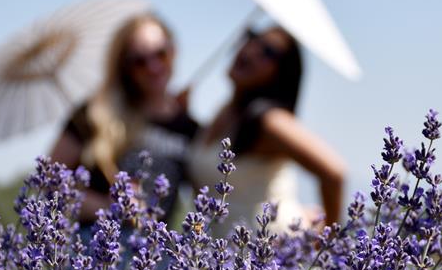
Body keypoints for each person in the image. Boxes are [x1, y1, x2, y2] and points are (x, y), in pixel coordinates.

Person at [188, 25, 346, 231]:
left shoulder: (269, 121)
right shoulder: (227, 110)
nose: (252, 51)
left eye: (268, 52)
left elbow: (334, 173)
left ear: (282, 74)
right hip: (225, 253)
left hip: (273, 254)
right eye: (252, 37)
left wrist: (328, 239)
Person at [50, 14, 198, 223]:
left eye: (161, 54)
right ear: (125, 67)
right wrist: (105, 206)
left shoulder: (190, 128)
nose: (153, 67)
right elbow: (49, 183)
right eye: (140, 61)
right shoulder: (96, 113)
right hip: (96, 247)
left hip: (157, 249)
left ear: (173, 52)